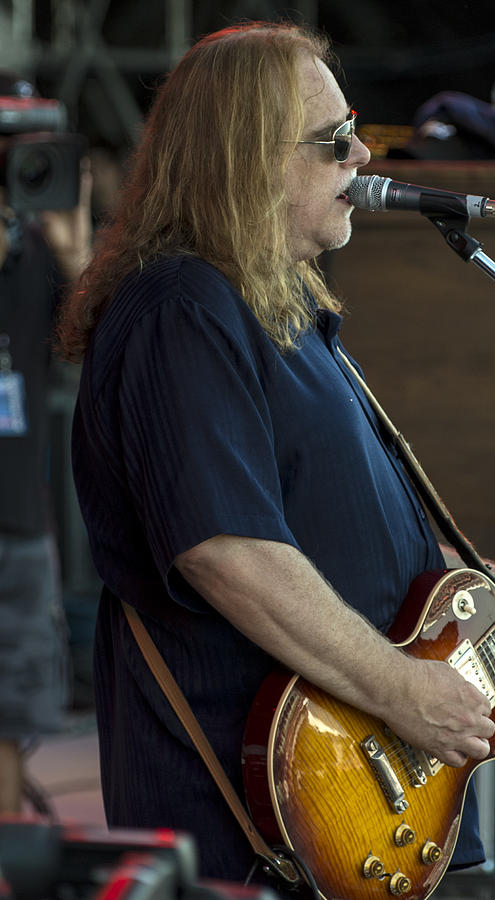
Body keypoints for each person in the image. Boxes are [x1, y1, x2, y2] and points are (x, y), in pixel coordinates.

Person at [56, 21, 495, 887]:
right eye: (334, 141)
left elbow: (340, 544)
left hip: (349, 810)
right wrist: (404, 693)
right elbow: (229, 551)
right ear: (244, 157)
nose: (363, 153)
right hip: (260, 824)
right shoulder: (181, 309)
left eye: (354, 128)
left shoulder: (279, 312)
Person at [0, 71, 92, 814]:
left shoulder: (34, 247)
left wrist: (75, 252)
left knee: (10, 718)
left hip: (20, 525)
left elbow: (106, 354)